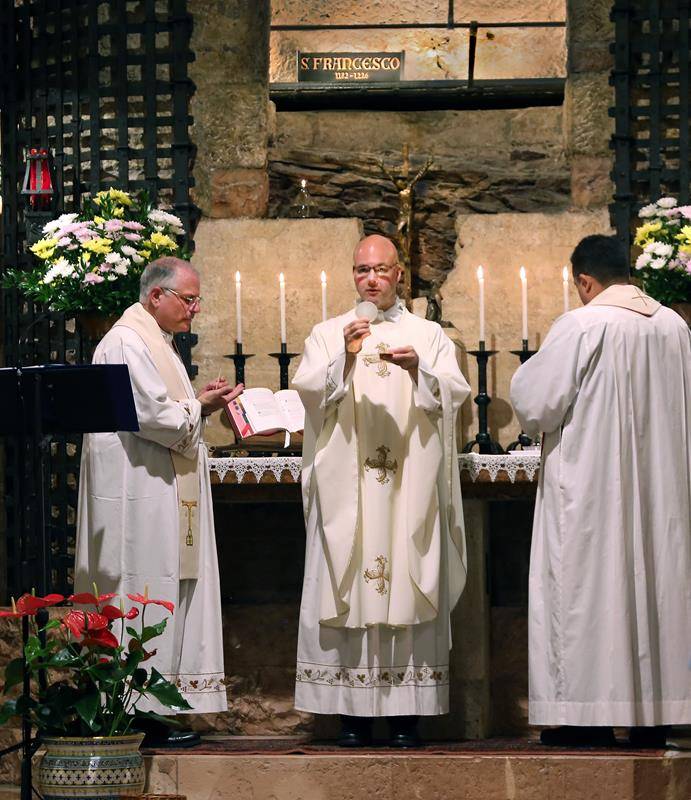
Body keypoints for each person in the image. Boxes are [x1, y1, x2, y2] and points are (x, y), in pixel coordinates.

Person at [510, 234, 691, 748]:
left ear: (585, 281)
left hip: (592, 490)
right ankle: (654, 716)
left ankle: (583, 717)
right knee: (655, 589)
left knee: (588, 592)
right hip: (662, 491)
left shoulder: (582, 324)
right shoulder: (674, 326)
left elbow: (536, 405)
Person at [292, 234, 470, 747]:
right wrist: (345, 360)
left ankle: (405, 714)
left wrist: (420, 371)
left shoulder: (427, 335)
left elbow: (453, 395)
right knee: (346, 579)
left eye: (380, 269)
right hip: (347, 488)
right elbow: (310, 396)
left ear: (398, 275)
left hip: (407, 485)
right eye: (361, 270)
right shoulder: (328, 333)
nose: (370, 279)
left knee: (408, 576)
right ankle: (351, 715)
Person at [75, 257, 242, 746]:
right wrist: (200, 406)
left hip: (157, 487)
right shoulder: (127, 341)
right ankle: (136, 716)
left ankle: (156, 708)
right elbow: (151, 416)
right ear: (156, 297)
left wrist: (195, 401)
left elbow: (163, 408)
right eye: (188, 299)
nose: (195, 308)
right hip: (136, 495)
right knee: (141, 586)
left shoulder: (154, 340)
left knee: (161, 587)